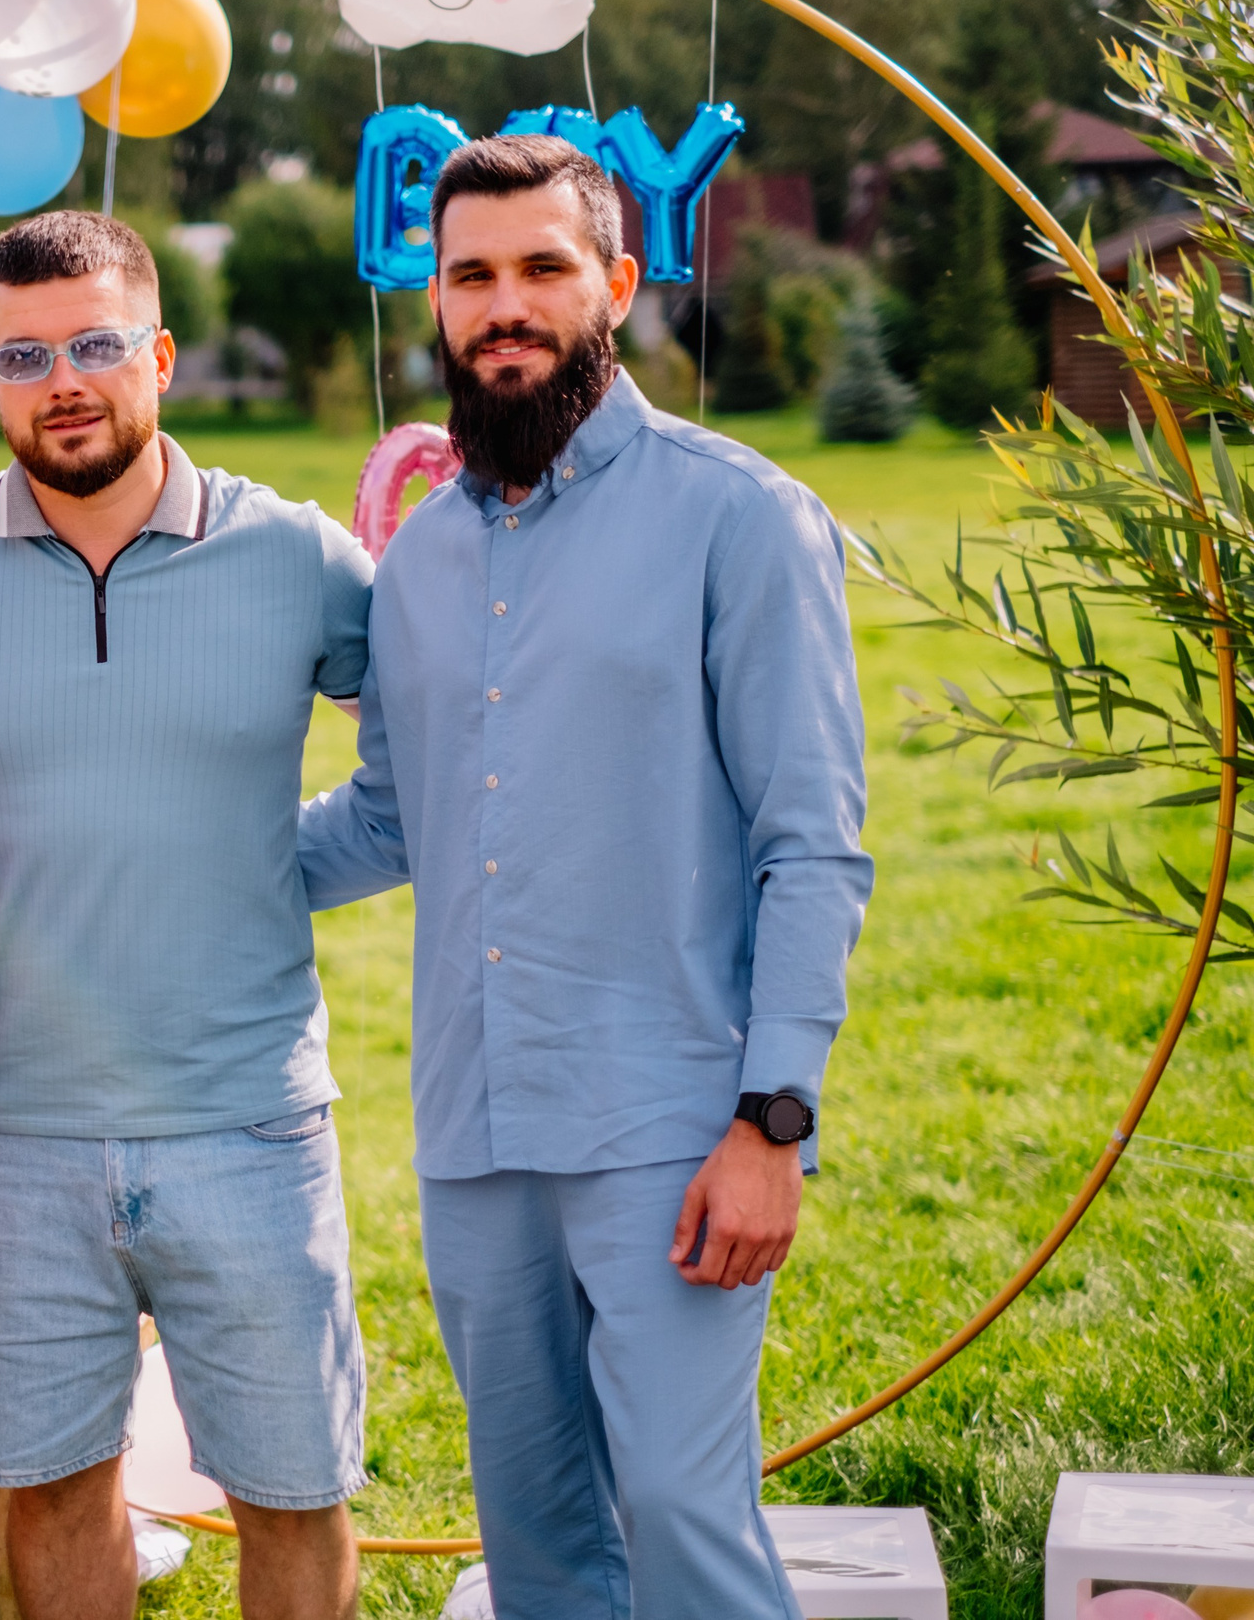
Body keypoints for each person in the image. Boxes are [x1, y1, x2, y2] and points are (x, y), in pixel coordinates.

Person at [298, 134, 873, 1620]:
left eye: (543, 268)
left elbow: (811, 842)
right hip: (475, 1129)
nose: (506, 305)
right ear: (434, 301)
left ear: (618, 282)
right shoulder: (417, 565)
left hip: (672, 1128)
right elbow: (391, 820)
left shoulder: (737, 517)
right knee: (539, 1533)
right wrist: (171, 865)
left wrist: (774, 1121)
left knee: (685, 1516)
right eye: (471, 274)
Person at [0, 212, 375, 1620]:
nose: (65, 380)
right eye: (26, 355)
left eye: (97, 344)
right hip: (16, 1124)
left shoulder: (296, 557)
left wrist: (270, 867)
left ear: (158, 353)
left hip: (250, 1119)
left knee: (292, 1489)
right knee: (48, 1482)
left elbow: (436, 755)